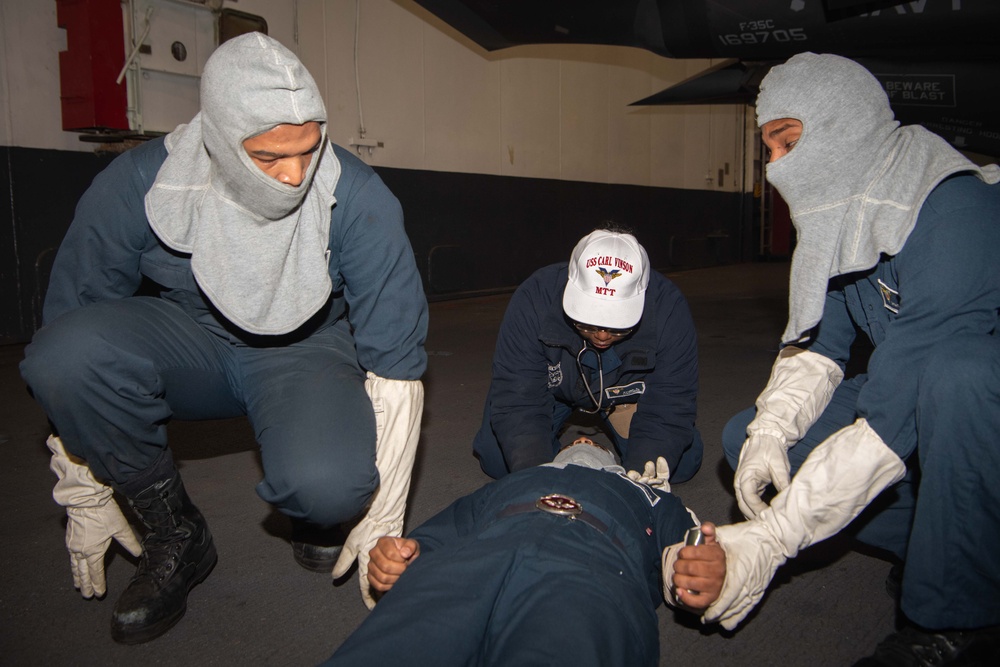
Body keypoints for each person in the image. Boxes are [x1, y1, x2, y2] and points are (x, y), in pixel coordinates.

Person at [19, 33, 427, 644]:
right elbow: (72, 317)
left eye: (308, 149)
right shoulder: (139, 184)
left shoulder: (358, 196)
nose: (294, 176)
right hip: (190, 341)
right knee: (66, 355)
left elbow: (396, 366)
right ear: (219, 139)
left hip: (304, 350)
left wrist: (381, 520)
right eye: (268, 157)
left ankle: (320, 519)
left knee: (328, 485)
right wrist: (84, 481)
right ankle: (175, 536)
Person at [716, 52, 1000, 664]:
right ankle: (953, 551)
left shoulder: (952, 207)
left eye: (788, 143)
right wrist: (770, 428)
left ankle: (956, 617)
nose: (775, 168)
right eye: (769, 148)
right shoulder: (844, 211)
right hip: (916, 383)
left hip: (976, 402)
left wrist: (773, 538)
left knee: (958, 378)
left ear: (839, 127)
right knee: (751, 440)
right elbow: (823, 346)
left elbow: (901, 402)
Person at [322, 437, 726, 666]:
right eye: (574, 440)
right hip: (470, 563)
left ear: (613, 462)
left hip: (591, 570)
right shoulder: (506, 485)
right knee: (398, 644)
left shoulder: (647, 494)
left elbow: (685, 555)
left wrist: (703, 574)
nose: (582, 441)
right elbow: (434, 539)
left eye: (592, 441)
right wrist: (397, 559)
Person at [473, 226, 702, 486]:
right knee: (498, 459)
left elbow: (671, 404)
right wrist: (537, 478)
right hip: (552, 389)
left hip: (622, 393)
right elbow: (518, 398)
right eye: (588, 323)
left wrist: (636, 486)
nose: (602, 336)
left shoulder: (668, 308)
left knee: (678, 464)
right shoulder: (535, 297)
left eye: (618, 325)